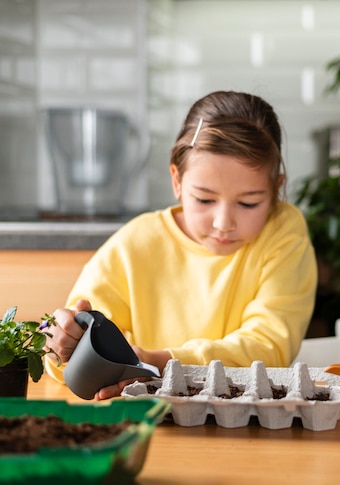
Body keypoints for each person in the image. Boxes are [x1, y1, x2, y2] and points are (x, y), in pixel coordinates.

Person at [45, 91, 317, 399]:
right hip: (144, 421)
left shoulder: (282, 231)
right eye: (204, 199)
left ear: (276, 189)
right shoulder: (133, 245)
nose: (223, 222)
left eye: (248, 203)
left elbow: (268, 348)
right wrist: (66, 344)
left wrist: (160, 363)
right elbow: (66, 362)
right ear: (176, 181)